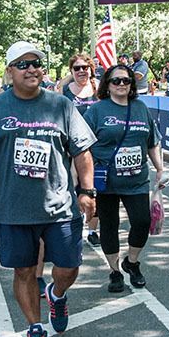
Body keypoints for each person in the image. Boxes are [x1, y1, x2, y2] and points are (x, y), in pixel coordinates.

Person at [0, 41, 96, 337]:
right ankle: (34, 328)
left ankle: (57, 293)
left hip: (60, 206)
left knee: (68, 267)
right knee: (23, 272)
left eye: (36, 63)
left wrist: (87, 191)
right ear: (10, 72)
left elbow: (82, 152)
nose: (31, 69)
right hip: (13, 209)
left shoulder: (61, 106)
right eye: (23, 64)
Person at [83, 65, 163, 291]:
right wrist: (83, 180)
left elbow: (152, 141)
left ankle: (132, 262)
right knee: (109, 225)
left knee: (142, 222)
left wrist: (159, 168)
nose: (121, 85)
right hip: (106, 180)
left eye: (126, 81)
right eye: (116, 81)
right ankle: (115, 271)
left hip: (137, 179)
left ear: (132, 85)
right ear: (107, 84)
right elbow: (83, 146)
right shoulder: (97, 111)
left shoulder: (140, 108)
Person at [59, 53, 101, 246]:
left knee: (93, 189)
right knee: (75, 187)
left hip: (96, 146)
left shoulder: (98, 88)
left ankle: (92, 230)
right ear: (71, 71)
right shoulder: (65, 91)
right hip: (72, 149)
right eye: (77, 68)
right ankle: (74, 228)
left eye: (85, 67)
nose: (82, 71)